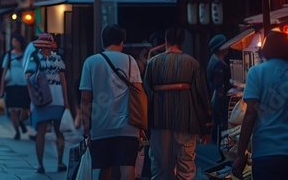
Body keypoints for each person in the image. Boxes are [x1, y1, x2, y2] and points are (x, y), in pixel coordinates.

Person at [232, 31, 288, 180]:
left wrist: (241, 154)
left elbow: (250, 114)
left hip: (265, 155)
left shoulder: (256, 73)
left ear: (265, 51)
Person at [143, 27, 211, 180]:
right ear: (182, 42)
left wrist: (144, 124)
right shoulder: (192, 63)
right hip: (186, 121)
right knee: (185, 168)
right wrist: (206, 126)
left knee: (160, 169)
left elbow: (146, 95)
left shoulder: (153, 63)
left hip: (159, 122)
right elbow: (202, 97)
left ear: (166, 41)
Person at [80, 24, 143, 180]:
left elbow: (85, 98)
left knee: (104, 168)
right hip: (128, 126)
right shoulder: (130, 61)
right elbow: (139, 93)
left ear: (103, 41)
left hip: (101, 127)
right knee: (128, 167)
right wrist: (141, 125)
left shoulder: (91, 62)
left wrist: (86, 130)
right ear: (122, 42)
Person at [25, 33, 70, 173]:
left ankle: (54, 163)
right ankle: (45, 164)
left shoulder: (52, 58)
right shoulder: (37, 58)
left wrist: (66, 101)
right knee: (45, 131)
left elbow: (63, 80)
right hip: (46, 98)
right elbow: (29, 77)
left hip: (53, 99)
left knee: (54, 130)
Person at [206, 34, 232, 163]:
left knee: (218, 124)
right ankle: (223, 152)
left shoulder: (214, 60)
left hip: (215, 97)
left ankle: (221, 151)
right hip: (219, 99)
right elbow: (219, 86)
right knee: (222, 124)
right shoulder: (218, 64)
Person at [0, 35, 31, 140]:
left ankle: (21, 121)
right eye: (13, 41)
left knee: (24, 108)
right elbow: (4, 72)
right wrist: (2, 89)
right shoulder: (8, 55)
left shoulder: (26, 55)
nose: (15, 43)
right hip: (11, 85)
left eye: (17, 41)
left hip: (23, 84)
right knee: (12, 109)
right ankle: (17, 131)